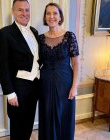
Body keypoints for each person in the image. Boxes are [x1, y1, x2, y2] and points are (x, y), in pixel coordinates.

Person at [0, 0, 40, 140]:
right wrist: (10, 93)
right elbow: (2, 65)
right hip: (18, 88)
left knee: (28, 125)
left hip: (34, 86)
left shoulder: (34, 31)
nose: (24, 13)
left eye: (27, 10)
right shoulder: (4, 33)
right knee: (17, 127)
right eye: (20, 10)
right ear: (13, 12)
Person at [39, 3, 79, 140]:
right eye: (48, 13)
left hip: (65, 83)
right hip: (45, 84)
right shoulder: (40, 39)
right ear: (45, 17)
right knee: (48, 116)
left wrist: (74, 87)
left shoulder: (69, 36)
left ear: (60, 16)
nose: (51, 16)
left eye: (55, 13)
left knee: (64, 117)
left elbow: (76, 63)